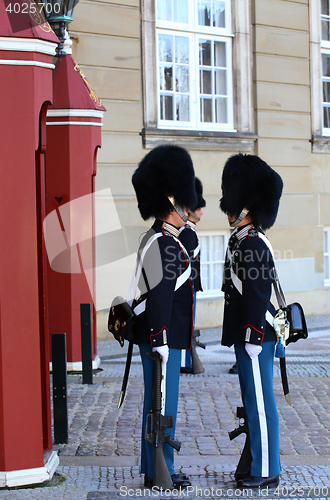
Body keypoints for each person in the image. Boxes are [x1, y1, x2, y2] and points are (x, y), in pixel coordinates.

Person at [131, 145, 197, 489]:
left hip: (160, 336)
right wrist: (161, 342)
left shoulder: (161, 238)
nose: (189, 209)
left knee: (156, 403)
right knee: (162, 403)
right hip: (162, 338)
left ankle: (155, 467)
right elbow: (159, 297)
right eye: (183, 203)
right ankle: (161, 472)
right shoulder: (164, 244)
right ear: (171, 203)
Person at [219, 153, 283, 489]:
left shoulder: (253, 244)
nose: (229, 210)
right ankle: (258, 461)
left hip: (255, 333)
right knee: (253, 400)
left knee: (260, 403)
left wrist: (254, 338)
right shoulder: (243, 240)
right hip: (248, 332)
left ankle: (267, 469)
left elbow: (257, 295)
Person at [179, 177, 205, 373]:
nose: (201, 212)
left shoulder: (190, 231)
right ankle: (183, 362)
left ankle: (187, 360)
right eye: (199, 209)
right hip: (188, 286)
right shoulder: (187, 233)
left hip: (191, 285)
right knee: (185, 324)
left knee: (189, 324)